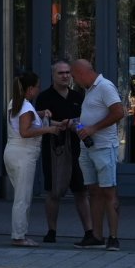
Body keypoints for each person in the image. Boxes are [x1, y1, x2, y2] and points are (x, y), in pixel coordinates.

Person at [70, 59, 127, 250]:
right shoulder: (89, 90)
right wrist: (77, 124)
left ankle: (113, 237)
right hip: (88, 147)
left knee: (108, 191)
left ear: (82, 73)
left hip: (103, 147)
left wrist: (93, 128)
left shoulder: (105, 86)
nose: (75, 81)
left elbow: (119, 112)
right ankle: (96, 236)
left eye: (75, 77)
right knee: (93, 191)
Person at [37, 60, 91, 244]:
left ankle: (89, 232)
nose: (65, 76)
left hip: (76, 150)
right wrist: (58, 124)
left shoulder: (78, 96)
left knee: (81, 191)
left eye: (68, 72)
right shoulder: (45, 97)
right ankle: (51, 231)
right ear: (53, 75)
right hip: (54, 149)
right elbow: (39, 122)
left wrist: (76, 125)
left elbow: (84, 121)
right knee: (53, 191)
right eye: (61, 73)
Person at [4, 72, 56, 246]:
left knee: (21, 195)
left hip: (13, 152)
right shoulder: (25, 107)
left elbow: (26, 119)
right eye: (37, 86)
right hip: (23, 155)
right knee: (22, 197)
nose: (39, 89)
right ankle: (19, 236)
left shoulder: (17, 104)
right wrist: (47, 130)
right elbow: (25, 132)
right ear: (30, 89)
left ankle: (19, 234)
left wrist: (41, 114)